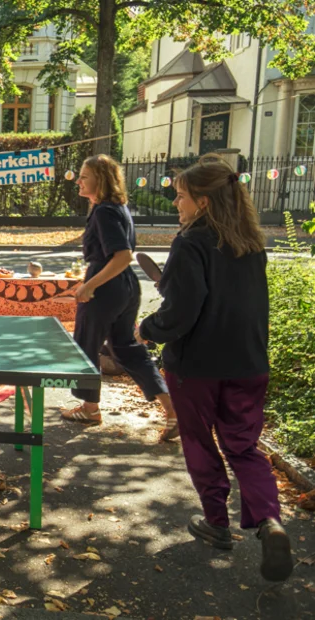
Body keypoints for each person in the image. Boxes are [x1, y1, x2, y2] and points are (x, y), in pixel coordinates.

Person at [138, 155, 292, 582]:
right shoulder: (252, 243)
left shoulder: (190, 243)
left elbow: (183, 311)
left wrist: (148, 328)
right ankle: (269, 521)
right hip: (248, 362)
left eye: (182, 196)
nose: (176, 204)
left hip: (197, 366)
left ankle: (217, 523)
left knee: (200, 442)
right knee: (243, 447)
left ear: (203, 202)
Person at [61, 154, 178, 440]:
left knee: (86, 345)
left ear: (100, 179)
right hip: (125, 287)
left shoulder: (103, 211)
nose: (78, 180)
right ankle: (173, 410)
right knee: (126, 347)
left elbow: (123, 255)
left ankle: (90, 408)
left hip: (107, 289)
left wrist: (90, 286)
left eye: (84, 176)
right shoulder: (117, 207)